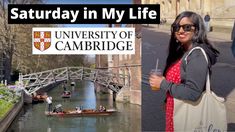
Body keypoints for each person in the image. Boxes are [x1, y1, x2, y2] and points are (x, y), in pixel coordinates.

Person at [149, 11, 219, 131]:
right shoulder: (182, 51)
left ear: (196, 30)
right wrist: (167, 99)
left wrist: (163, 84)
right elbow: (180, 81)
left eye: (187, 27)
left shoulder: (197, 55)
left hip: (189, 115)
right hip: (176, 112)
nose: (181, 31)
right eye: (176, 27)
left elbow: (193, 92)